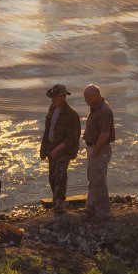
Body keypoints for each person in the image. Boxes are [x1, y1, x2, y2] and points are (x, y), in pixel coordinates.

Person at [39, 84, 81, 214]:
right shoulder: (52, 108)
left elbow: (71, 139)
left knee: (60, 174)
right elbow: (48, 130)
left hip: (64, 150)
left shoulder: (72, 115)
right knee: (52, 175)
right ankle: (56, 199)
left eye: (54, 98)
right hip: (51, 147)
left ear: (62, 97)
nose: (52, 100)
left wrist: (56, 150)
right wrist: (44, 148)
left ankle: (60, 202)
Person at [82, 84, 115, 222]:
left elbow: (105, 134)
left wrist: (96, 151)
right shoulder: (96, 107)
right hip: (94, 148)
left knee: (99, 181)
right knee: (92, 179)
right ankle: (91, 207)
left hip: (99, 149)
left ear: (95, 96)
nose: (85, 101)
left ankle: (103, 213)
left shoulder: (104, 110)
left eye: (86, 98)